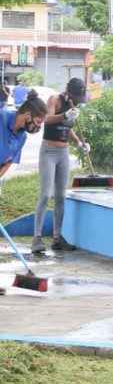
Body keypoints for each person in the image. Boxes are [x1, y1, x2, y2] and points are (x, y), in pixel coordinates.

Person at [31, 78, 90, 254]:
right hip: (49, 151)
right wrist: (65, 115)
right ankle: (37, 238)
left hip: (63, 153)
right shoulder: (54, 100)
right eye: (77, 96)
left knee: (60, 196)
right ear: (69, 92)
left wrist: (79, 142)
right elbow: (46, 119)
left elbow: (68, 127)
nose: (79, 100)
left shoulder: (75, 106)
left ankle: (57, 238)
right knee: (45, 194)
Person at [0, 90, 47, 294]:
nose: (38, 126)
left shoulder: (22, 138)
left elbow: (9, 161)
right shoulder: (1, 119)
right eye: (37, 121)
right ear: (27, 114)